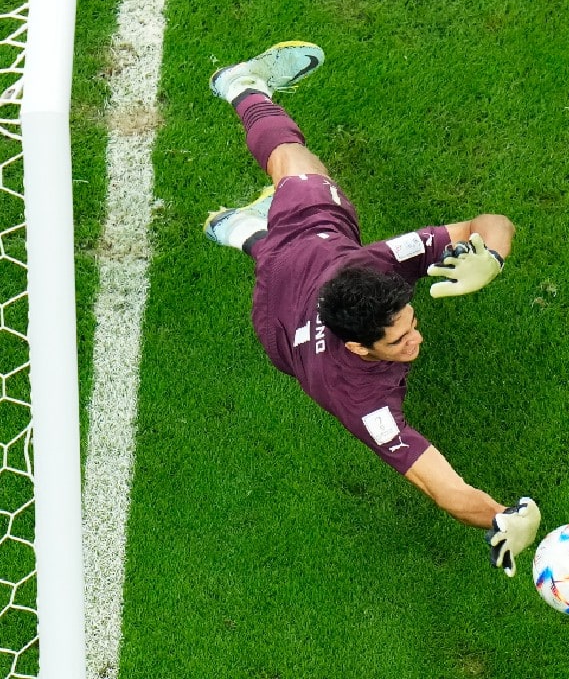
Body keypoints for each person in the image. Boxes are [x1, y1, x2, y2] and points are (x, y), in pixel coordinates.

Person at [202, 41, 540, 577]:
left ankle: (247, 186)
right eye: (401, 341)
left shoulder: (379, 265)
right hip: (280, 323)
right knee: (291, 186)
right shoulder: (360, 398)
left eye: (411, 322)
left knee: (289, 195)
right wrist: (502, 517)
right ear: (359, 347)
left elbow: (489, 221)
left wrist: (490, 255)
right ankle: (242, 94)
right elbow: (441, 485)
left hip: (304, 252)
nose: (417, 340)